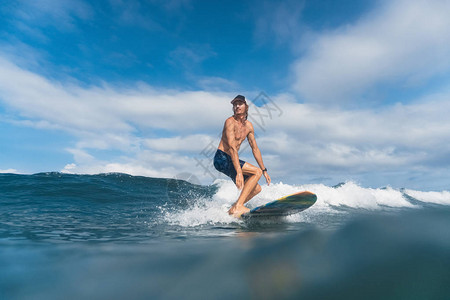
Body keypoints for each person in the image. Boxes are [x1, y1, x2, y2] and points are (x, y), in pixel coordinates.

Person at [213, 95, 271, 217]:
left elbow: (255, 148)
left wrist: (264, 170)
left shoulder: (249, 126)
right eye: (235, 104)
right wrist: (239, 172)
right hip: (222, 158)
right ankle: (238, 206)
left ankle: (232, 210)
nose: (237, 106)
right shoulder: (229, 122)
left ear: (246, 106)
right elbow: (232, 148)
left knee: (256, 189)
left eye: (240, 104)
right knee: (256, 172)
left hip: (231, 160)